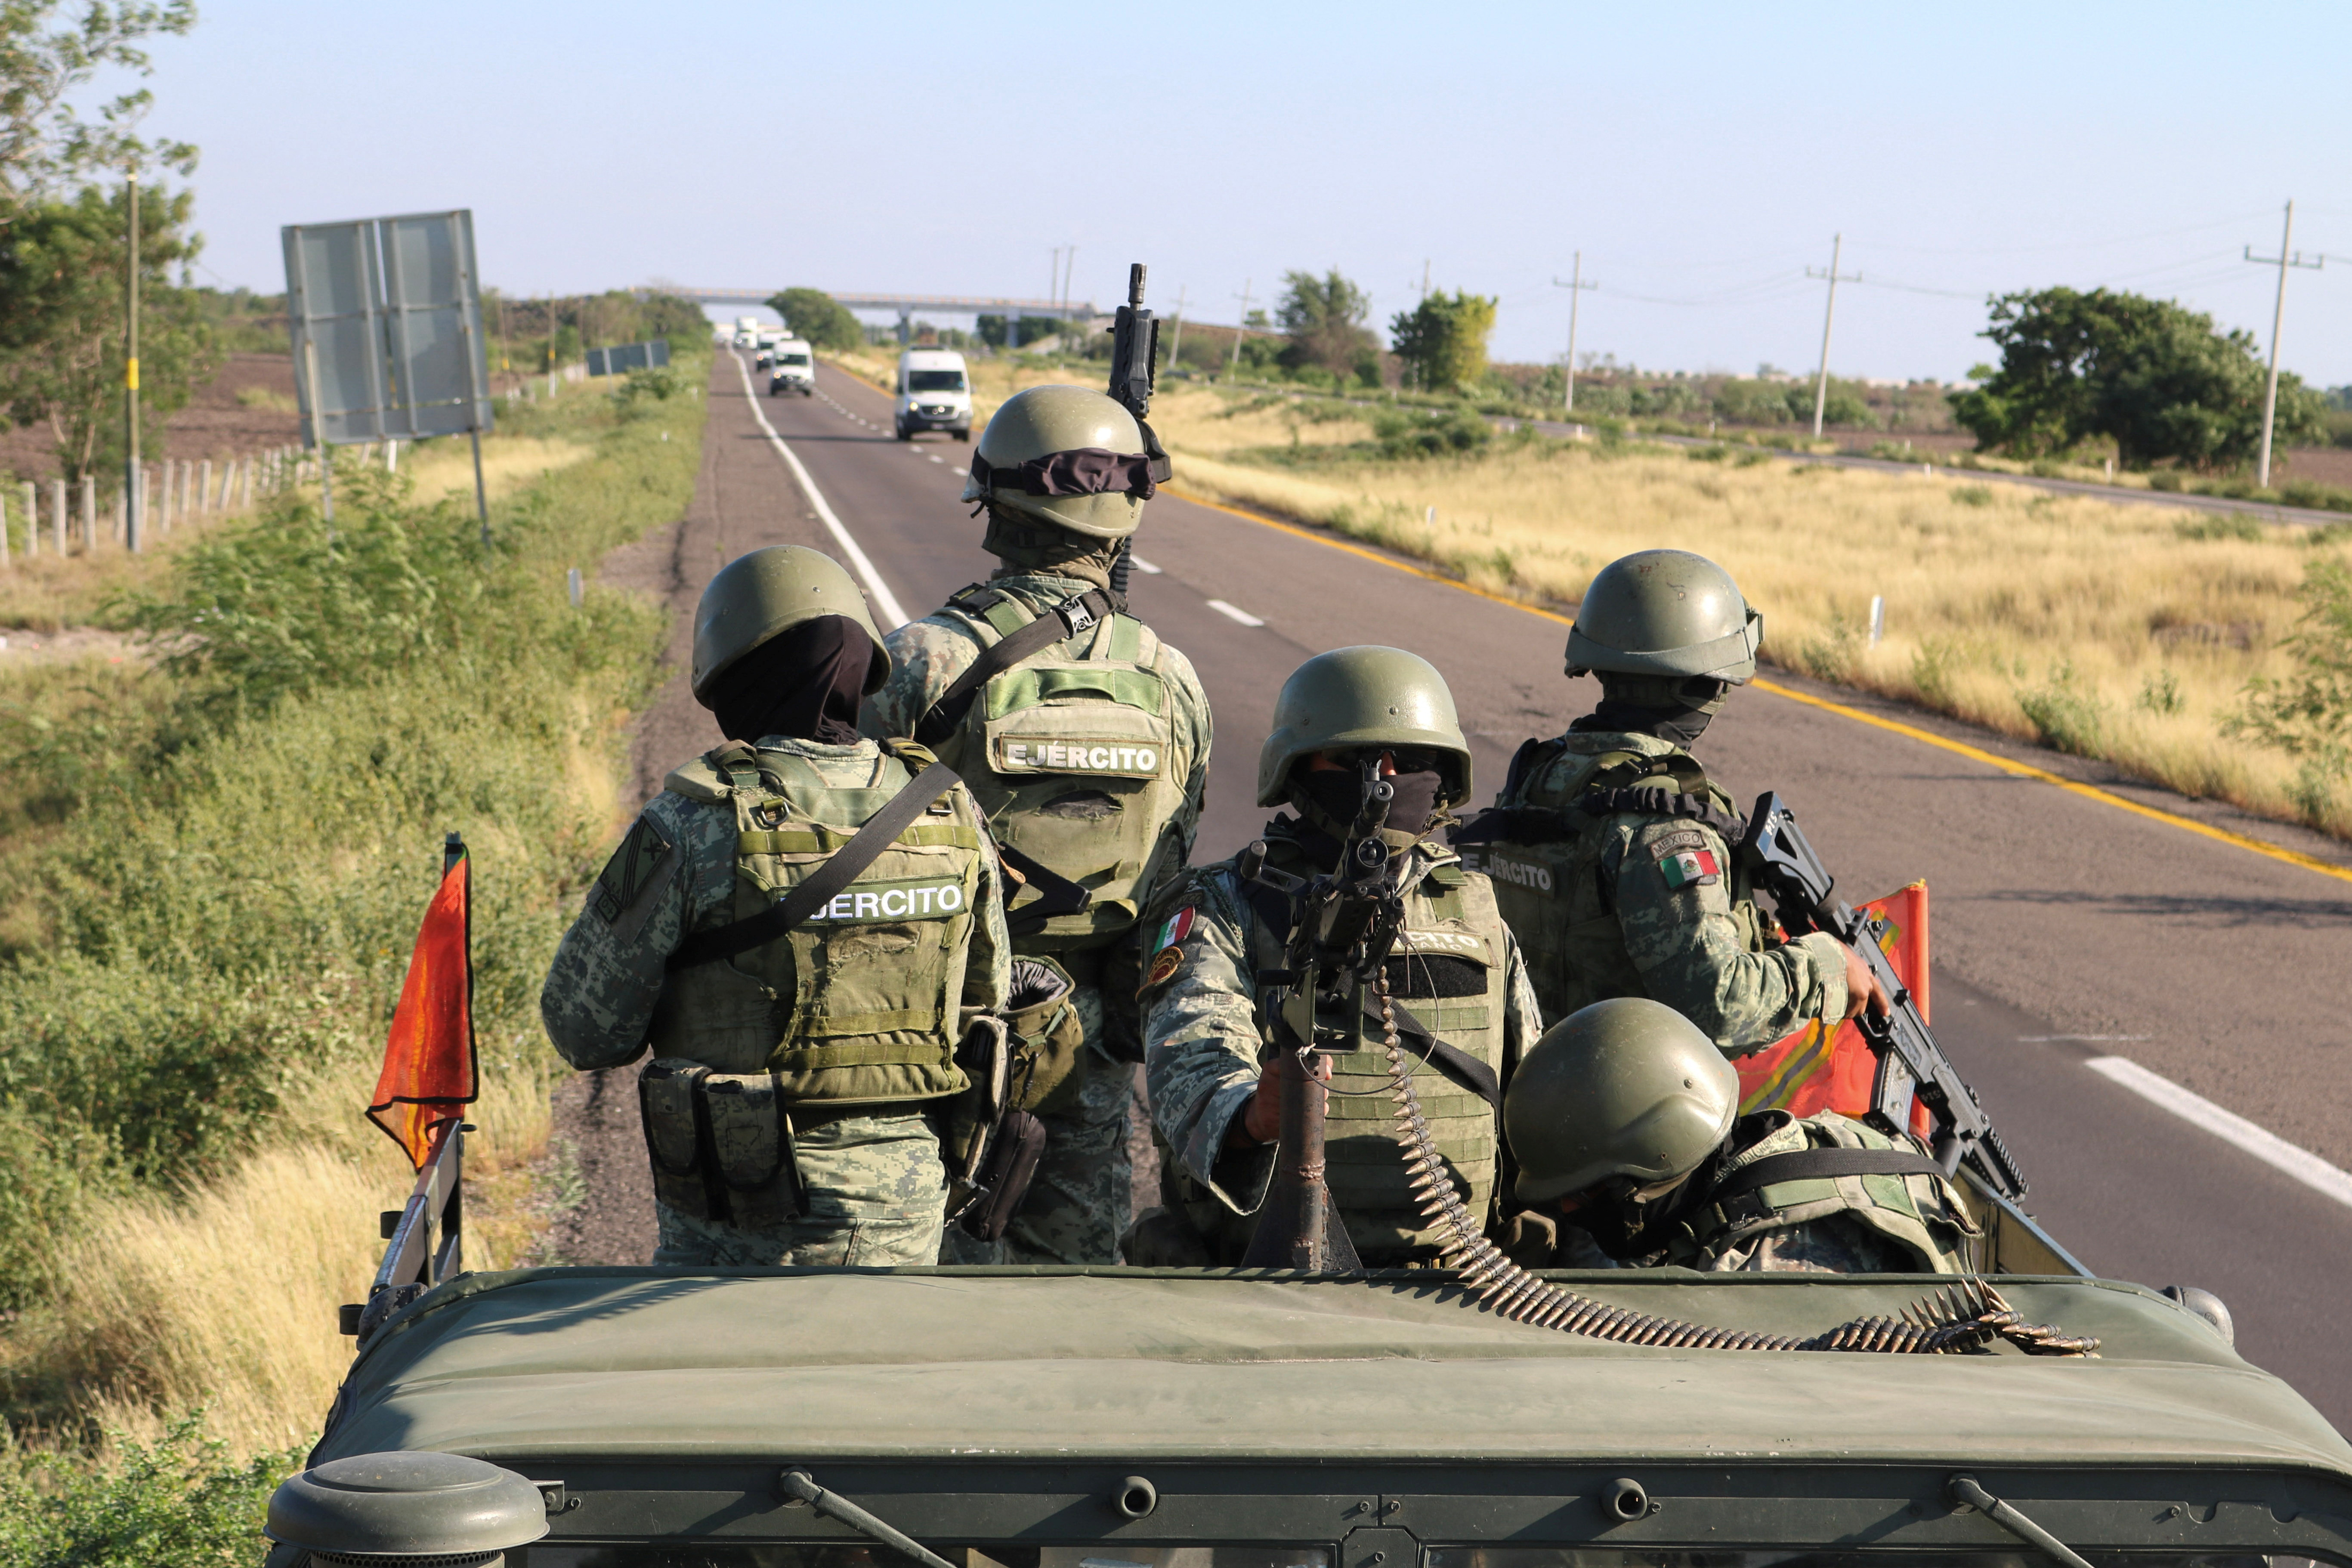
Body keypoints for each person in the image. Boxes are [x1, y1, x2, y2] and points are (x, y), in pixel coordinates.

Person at [541, 544, 1009, 1268]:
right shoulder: (950, 808)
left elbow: (583, 1029)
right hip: (905, 1223)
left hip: (735, 1234)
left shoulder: (692, 822)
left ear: (735, 675)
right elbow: (990, 995)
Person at [863, 384, 1212, 1265]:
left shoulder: (921, 659)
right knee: (1071, 1292)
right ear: (1123, 513)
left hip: (929, 1030)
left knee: (904, 1280)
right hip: (1083, 1048)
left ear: (990, 500)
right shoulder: (1170, 680)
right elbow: (1171, 867)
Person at [1131, 646, 1543, 1267]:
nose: (1383, 777)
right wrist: (1250, 1114)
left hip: (1455, 1276)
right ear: (1297, 770)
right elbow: (1188, 1058)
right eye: (1355, 759)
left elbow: (1530, 1081)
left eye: (1410, 760)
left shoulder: (1473, 906)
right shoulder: (1222, 901)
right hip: (1268, 1271)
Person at [1463, 547, 1884, 1050]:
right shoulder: (1662, 825)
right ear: (1706, 681)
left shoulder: (1540, 779)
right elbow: (1718, 1004)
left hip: (1530, 1090)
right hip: (1626, 1111)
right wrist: (1828, 967)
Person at [1503, 996, 1977, 1273]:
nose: (1567, 1210)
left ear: (1656, 1155)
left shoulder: (1755, 1272)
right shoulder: (1797, 1142)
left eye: (1584, 1193)